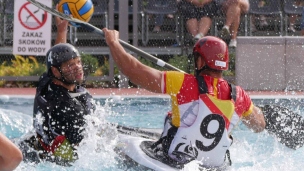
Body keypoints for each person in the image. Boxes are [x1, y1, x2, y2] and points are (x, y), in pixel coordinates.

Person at [102, 28, 266, 168]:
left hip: (174, 162)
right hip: (213, 166)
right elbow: (259, 125)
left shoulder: (182, 82)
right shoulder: (239, 96)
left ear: (200, 61)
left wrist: (113, 43)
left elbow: (133, 71)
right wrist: (250, 107)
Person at [22, 15, 95, 165]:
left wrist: (61, 31)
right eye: (70, 65)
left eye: (78, 62)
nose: (78, 67)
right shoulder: (69, 108)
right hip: (60, 162)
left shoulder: (46, 82)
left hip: (34, 145)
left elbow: (55, 57)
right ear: (56, 72)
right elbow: (87, 147)